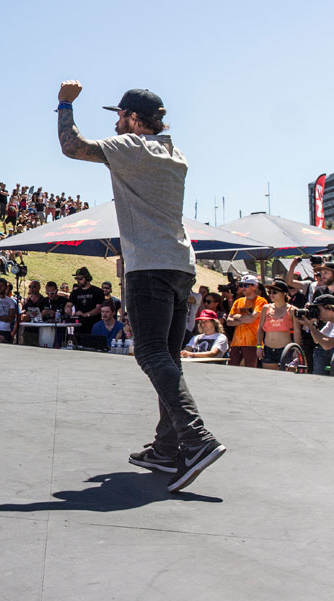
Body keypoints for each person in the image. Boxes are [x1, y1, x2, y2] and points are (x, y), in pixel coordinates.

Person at [57, 80, 225, 492]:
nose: (115, 122)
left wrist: (63, 104)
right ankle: (167, 448)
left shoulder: (132, 147)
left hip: (148, 266)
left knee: (149, 352)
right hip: (181, 265)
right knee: (168, 356)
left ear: (134, 119)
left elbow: (72, 146)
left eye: (119, 115)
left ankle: (196, 439)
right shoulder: (175, 153)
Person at [256, 280, 300, 370]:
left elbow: (297, 331)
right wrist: (259, 346)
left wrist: (296, 349)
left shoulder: (292, 310)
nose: (271, 295)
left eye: (275, 292)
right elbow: (260, 328)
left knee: (285, 378)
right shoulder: (266, 308)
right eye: (269, 292)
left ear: (284, 293)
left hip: (285, 350)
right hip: (268, 349)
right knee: (270, 378)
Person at [225, 275, 268, 368]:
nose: (243, 288)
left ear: (255, 286)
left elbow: (252, 318)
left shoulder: (261, 301)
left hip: (252, 342)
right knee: (231, 369)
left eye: (246, 285)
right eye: (241, 285)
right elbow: (228, 321)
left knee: (250, 370)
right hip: (236, 343)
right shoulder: (238, 301)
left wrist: (237, 317)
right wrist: (245, 318)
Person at [298, 294, 334, 375]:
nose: (317, 313)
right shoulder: (331, 322)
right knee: (319, 349)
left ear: (328, 307)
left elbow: (327, 344)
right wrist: (312, 324)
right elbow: (317, 340)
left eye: (318, 309)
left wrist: (310, 326)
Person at [68, 266, 104, 334]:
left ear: (87, 278)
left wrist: (86, 314)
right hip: (79, 327)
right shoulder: (75, 292)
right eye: (76, 278)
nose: (78, 281)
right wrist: (70, 312)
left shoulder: (97, 291)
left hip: (94, 326)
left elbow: (99, 308)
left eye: (80, 278)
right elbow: (68, 305)